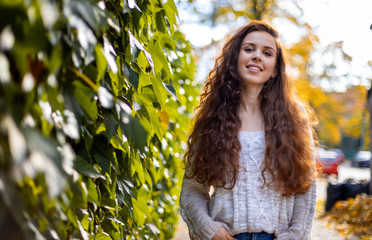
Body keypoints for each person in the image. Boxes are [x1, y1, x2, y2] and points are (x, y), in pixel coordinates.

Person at [179, 20, 318, 240]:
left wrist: (294, 236)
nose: (257, 56)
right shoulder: (211, 119)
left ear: (274, 70)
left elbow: (306, 190)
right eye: (249, 49)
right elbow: (192, 190)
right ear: (236, 58)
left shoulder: (295, 120)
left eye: (267, 53)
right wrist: (210, 230)